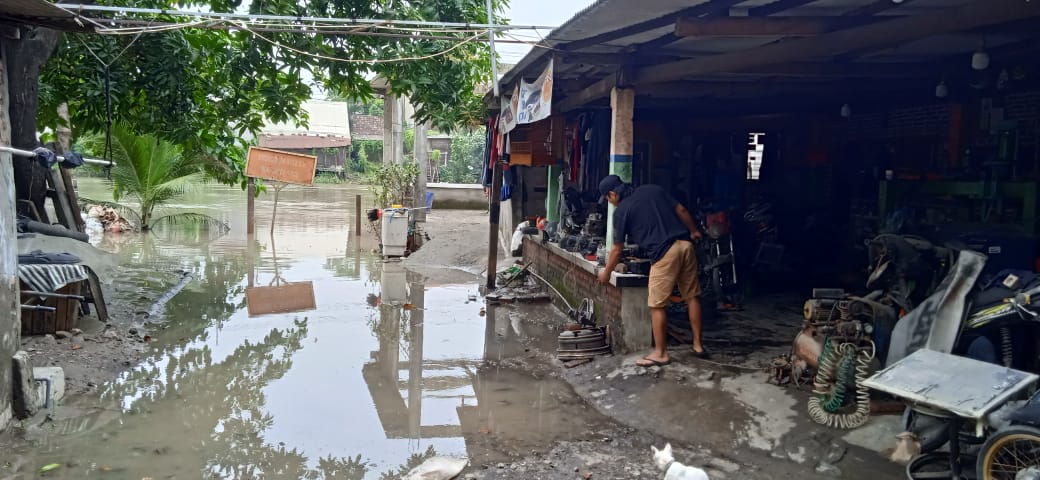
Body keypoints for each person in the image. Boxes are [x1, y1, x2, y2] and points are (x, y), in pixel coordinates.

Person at [596, 175, 707, 367]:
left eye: (607, 198)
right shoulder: (653, 189)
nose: (609, 202)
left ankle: (661, 353)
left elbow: (617, 249)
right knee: (691, 297)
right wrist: (694, 230)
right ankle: (698, 345)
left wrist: (606, 273)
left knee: (656, 305)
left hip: (665, 253)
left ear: (613, 194)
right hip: (685, 245)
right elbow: (681, 209)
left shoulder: (621, 211)